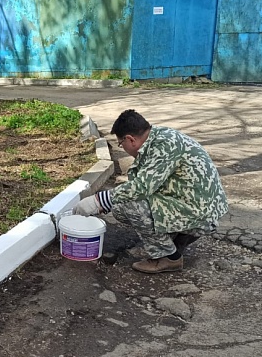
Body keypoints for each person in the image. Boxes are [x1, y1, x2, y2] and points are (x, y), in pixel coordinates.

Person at [73, 109, 228, 273]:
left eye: (121, 144)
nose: (122, 147)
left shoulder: (163, 146)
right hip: (198, 206)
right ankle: (175, 239)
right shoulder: (160, 137)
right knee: (122, 204)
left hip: (202, 214)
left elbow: (141, 187)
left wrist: (98, 201)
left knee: (127, 207)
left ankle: (170, 258)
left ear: (130, 139)